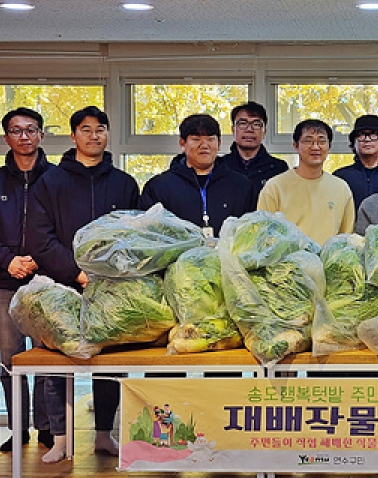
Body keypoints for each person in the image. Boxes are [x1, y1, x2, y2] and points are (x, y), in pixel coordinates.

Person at [27, 106, 139, 463]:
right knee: (57, 365)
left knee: (110, 364)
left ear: (108, 134)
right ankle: (61, 440)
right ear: (74, 135)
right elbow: (40, 238)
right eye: (86, 129)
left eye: (100, 129)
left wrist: (111, 271)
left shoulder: (124, 183)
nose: (94, 135)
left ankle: (104, 434)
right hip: (62, 287)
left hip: (113, 289)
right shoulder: (50, 182)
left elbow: (135, 235)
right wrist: (76, 273)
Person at [0, 108, 54, 452]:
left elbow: (65, 228)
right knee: (10, 358)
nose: (24, 136)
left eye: (31, 129)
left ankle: (49, 427)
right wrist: (8, 261)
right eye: (16, 130)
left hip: (48, 282)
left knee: (48, 355)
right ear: (7, 137)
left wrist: (38, 258)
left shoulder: (57, 179)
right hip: (5, 281)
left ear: (41, 135)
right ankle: (18, 428)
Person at [138, 114, 256, 238]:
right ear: (182, 143)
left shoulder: (241, 186)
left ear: (219, 143)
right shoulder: (159, 186)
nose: (204, 145)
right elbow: (146, 236)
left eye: (210, 139)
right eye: (196, 139)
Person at [258, 119, 355, 245]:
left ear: (329, 147)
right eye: (308, 141)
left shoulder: (341, 188)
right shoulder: (275, 187)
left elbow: (346, 238)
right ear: (296, 145)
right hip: (287, 258)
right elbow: (263, 235)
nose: (315, 147)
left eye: (322, 141)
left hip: (329, 258)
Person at [219, 101, 288, 200]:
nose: (249, 129)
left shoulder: (278, 168)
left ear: (264, 132)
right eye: (243, 123)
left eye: (256, 124)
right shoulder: (220, 166)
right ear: (233, 130)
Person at [334, 114, 378, 211]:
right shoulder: (340, 177)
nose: (367, 139)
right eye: (361, 134)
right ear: (354, 142)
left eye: (374, 134)